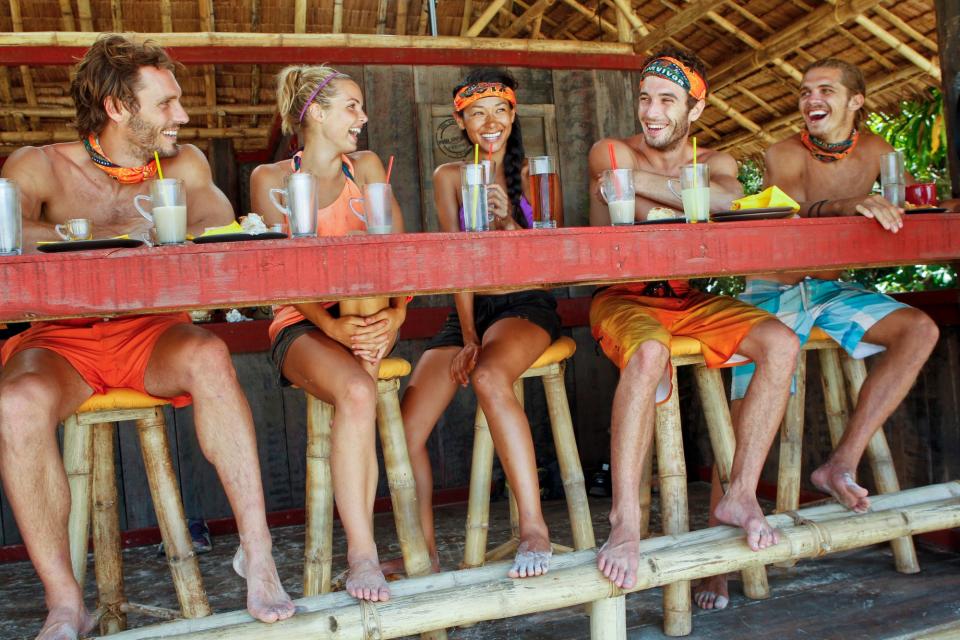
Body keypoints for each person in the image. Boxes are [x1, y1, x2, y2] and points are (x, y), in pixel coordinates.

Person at [0, 34, 294, 640]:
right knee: (13, 402)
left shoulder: (183, 165)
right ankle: (64, 603)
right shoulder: (38, 164)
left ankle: (257, 555)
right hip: (60, 341)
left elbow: (223, 228)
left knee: (210, 355)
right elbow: (6, 231)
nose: (181, 117)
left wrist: (217, 232)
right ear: (116, 107)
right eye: (165, 104)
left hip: (152, 333)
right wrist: (103, 237)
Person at [693, 58, 942, 609]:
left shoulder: (882, 154)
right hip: (771, 292)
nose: (811, 100)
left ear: (856, 101)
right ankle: (715, 564)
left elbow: (894, 212)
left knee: (919, 329)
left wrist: (894, 215)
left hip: (830, 295)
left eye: (825, 90)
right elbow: (789, 218)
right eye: (805, 92)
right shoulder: (782, 153)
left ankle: (840, 464)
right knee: (743, 423)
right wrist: (848, 206)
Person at [587, 47, 800, 592]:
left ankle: (741, 494)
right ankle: (625, 521)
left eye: (666, 100)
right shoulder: (610, 148)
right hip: (624, 298)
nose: (651, 111)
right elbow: (625, 189)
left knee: (780, 343)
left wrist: (646, 188)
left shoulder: (718, 161)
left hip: (687, 300)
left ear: (695, 110)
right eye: (644, 98)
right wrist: (692, 199)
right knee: (651, 351)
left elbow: (728, 197)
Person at [250, 64, 406, 602]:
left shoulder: (365, 168)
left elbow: (402, 257)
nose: (363, 118)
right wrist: (331, 326)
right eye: (351, 106)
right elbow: (280, 280)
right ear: (315, 112)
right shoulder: (269, 180)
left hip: (364, 321)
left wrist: (399, 316)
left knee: (359, 385)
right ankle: (362, 556)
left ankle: (361, 553)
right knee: (359, 390)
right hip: (303, 324)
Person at [399, 68, 560, 579]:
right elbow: (454, 264)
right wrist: (466, 335)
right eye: (476, 114)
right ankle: (423, 554)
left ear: (512, 115)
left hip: (524, 306)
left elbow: (550, 269)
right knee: (405, 430)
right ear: (463, 122)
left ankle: (534, 528)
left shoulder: (535, 173)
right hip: (468, 311)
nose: (489, 123)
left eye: (498, 111)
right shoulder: (450, 177)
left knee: (490, 376)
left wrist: (510, 225)